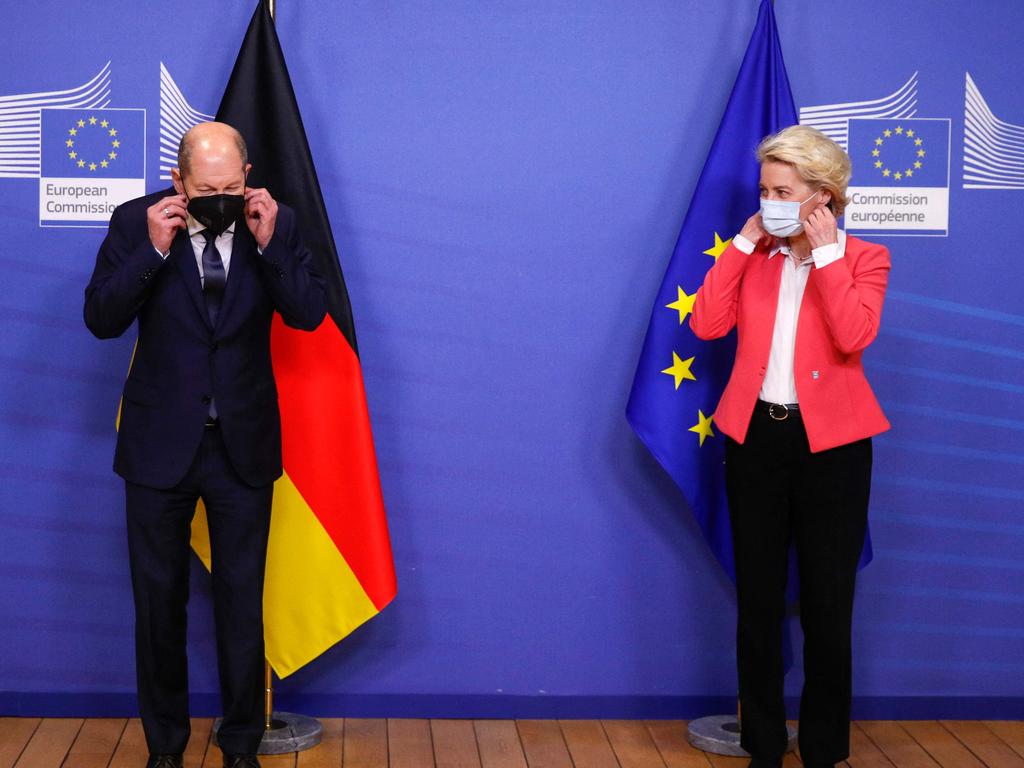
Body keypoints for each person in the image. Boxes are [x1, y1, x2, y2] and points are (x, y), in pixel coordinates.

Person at [84, 122, 327, 768]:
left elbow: (308, 313)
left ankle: (241, 746)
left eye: (231, 185)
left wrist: (273, 246)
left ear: (246, 175)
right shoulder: (136, 222)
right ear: (177, 182)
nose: (221, 198)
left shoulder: (272, 222)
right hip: (158, 444)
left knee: (241, 604)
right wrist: (153, 251)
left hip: (240, 446)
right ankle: (165, 749)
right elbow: (100, 317)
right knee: (157, 607)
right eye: (205, 189)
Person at [690, 124, 890, 768]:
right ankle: (765, 745)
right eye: (764, 190)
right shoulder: (755, 259)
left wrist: (827, 258)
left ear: (823, 197)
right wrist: (746, 241)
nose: (770, 201)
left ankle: (825, 750)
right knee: (758, 600)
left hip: (833, 446)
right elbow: (706, 322)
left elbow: (854, 335)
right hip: (757, 440)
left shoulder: (865, 258)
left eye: (783, 191)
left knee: (829, 604)